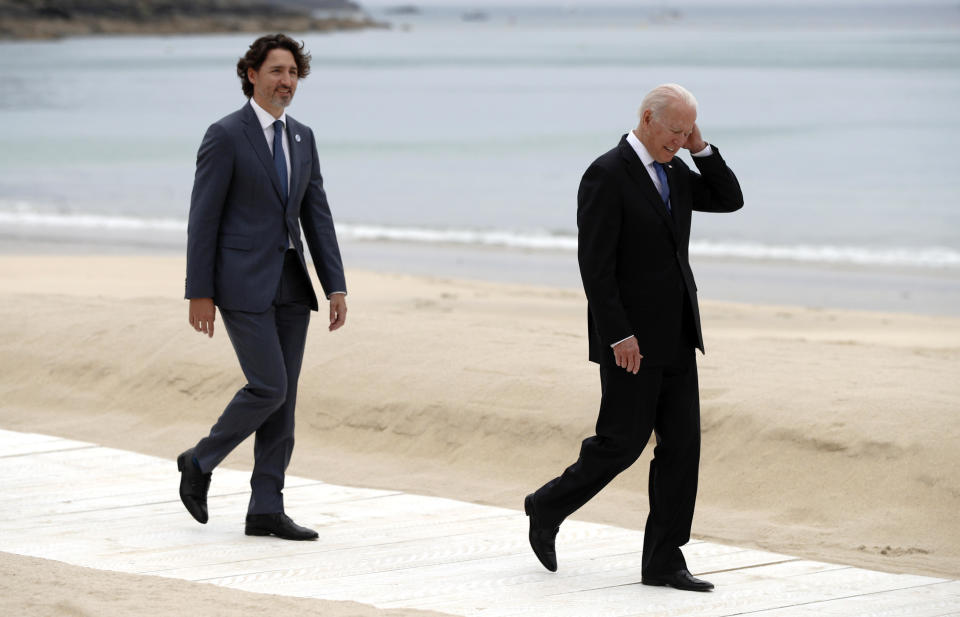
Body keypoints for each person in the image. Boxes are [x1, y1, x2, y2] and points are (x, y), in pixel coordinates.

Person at [523, 84, 743, 591]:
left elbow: (730, 199)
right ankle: (547, 505)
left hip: (678, 334)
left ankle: (664, 561)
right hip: (630, 342)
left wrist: (701, 150)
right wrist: (617, 333)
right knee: (621, 443)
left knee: (681, 448)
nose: (680, 138)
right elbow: (595, 266)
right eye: (675, 129)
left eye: (689, 130)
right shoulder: (606, 174)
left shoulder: (677, 170)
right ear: (647, 118)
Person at [178, 33, 347, 541]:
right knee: (268, 387)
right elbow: (203, 218)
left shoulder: (304, 138)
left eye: (293, 73)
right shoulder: (225, 134)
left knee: (285, 400)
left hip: (292, 285)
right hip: (240, 285)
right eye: (276, 71)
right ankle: (199, 460)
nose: (286, 82)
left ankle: (265, 508)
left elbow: (317, 216)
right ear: (251, 75)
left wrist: (335, 285)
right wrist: (198, 291)